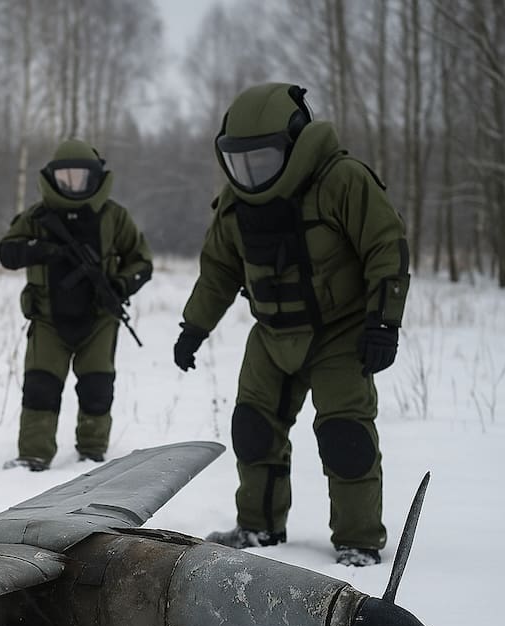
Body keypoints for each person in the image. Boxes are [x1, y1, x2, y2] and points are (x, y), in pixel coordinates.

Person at [173, 83, 410, 567]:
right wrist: (193, 328)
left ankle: (358, 541)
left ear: (295, 145)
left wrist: (384, 324)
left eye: (262, 159)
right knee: (253, 430)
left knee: (346, 438)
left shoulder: (342, 181)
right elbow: (218, 272)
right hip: (271, 335)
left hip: (340, 334)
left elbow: (386, 248)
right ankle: (258, 526)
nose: (250, 173)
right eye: (240, 161)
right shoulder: (235, 205)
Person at [0, 138, 153, 471]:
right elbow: (7, 252)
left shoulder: (113, 217)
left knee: (97, 386)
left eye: (80, 177)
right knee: (40, 386)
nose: (72, 184)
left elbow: (141, 261)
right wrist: (43, 250)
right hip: (47, 319)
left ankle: (92, 454)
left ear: (95, 177)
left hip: (100, 319)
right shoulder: (37, 216)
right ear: (53, 177)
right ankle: (33, 455)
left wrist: (120, 284)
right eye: (65, 177)